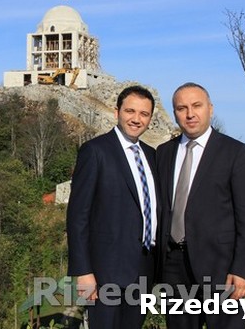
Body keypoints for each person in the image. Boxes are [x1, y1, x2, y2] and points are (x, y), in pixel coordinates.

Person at [157, 82, 245, 329]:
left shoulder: (235, 152)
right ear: (174, 113)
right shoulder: (163, 153)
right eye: (182, 108)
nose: (190, 114)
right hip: (174, 268)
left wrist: (242, 269)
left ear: (210, 109)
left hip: (221, 268)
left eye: (197, 106)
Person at [67, 85, 160, 328]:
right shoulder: (95, 151)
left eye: (144, 114)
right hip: (105, 273)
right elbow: (78, 216)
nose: (136, 119)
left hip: (143, 271)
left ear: (150, 118)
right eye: (130, 111)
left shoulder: (152, 155)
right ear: (117, 111)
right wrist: (83, 272)